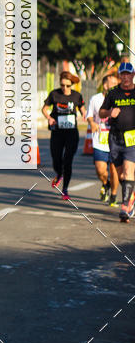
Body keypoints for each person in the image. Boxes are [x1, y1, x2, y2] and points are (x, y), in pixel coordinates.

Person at [42, 71, 87, 200]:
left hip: (71, 133)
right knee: (56, 159)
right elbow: (44, 109)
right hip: (57, 132)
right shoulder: (54, 94)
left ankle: (65, 189)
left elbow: (82, 107)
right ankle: (59, 174)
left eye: (67, 86)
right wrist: (49, 118)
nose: (64, 88)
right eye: (62, 85)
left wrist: (84, 114)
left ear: (71, 85)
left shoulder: (76, 96)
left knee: (68, 161)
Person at [99, 61, 135, 222]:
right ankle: (131, 196)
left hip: (132, 138)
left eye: (129, 74)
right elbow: (101, 113)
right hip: (114, 138)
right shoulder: (113, 93)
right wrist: (109, 112)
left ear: (133, 75)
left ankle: (125, 207)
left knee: (128, 170)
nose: (126, 77)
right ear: (120, 76)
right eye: (123, 74)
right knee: (121, 174)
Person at [87, 71, 119, 205]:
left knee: (114, 169)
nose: (113, 86)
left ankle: (113, 195)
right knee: (101, 170)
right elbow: (89, 115)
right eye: (111, 83)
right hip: (99, 140)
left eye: (115, 84)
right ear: (105, 85)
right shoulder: (95, 99)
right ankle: (105, 183)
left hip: (116, 140)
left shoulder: (119, 99)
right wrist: (92, 123)